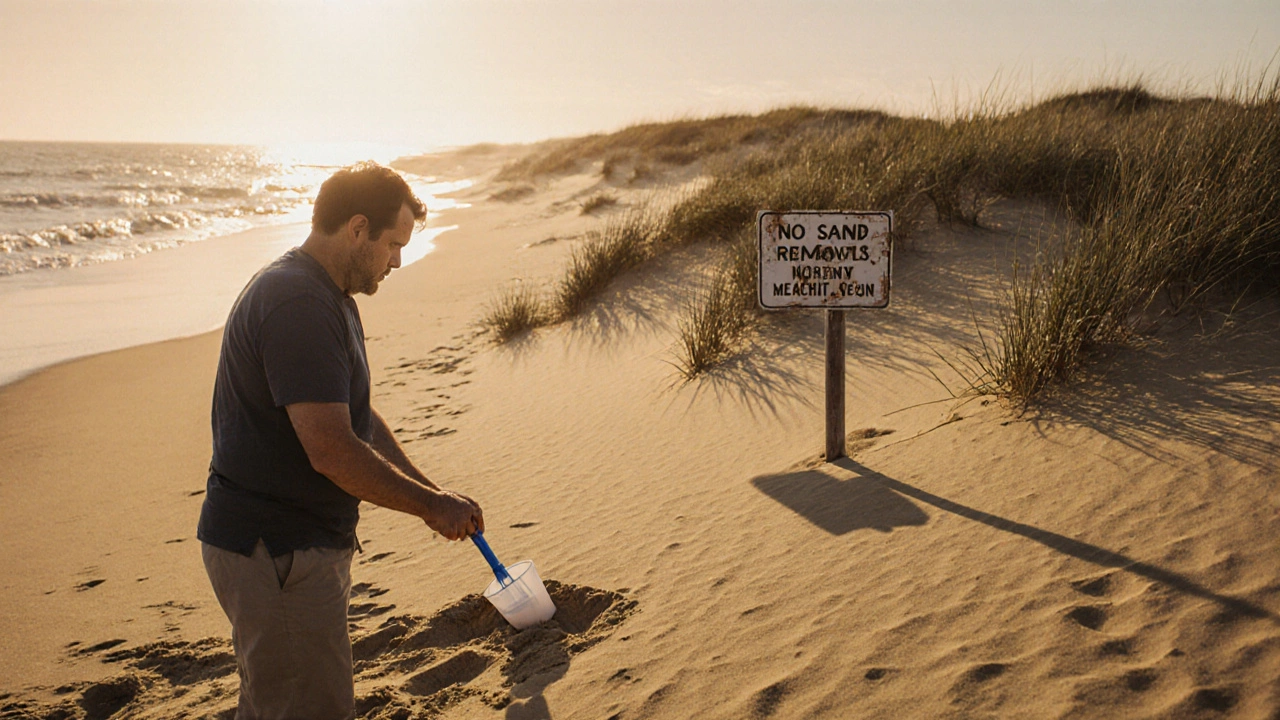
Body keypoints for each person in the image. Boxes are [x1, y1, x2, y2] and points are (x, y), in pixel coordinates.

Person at [198, 162, 484, 720]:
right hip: (274, 550)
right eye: (393, 244)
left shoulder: (330, 295)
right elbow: (330, 448)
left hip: (291, 548)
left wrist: (433, 496)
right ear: (358, 229)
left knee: (277, 700)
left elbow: (356, 416)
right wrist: (429, 505)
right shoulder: (298, 303)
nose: (397, 260)